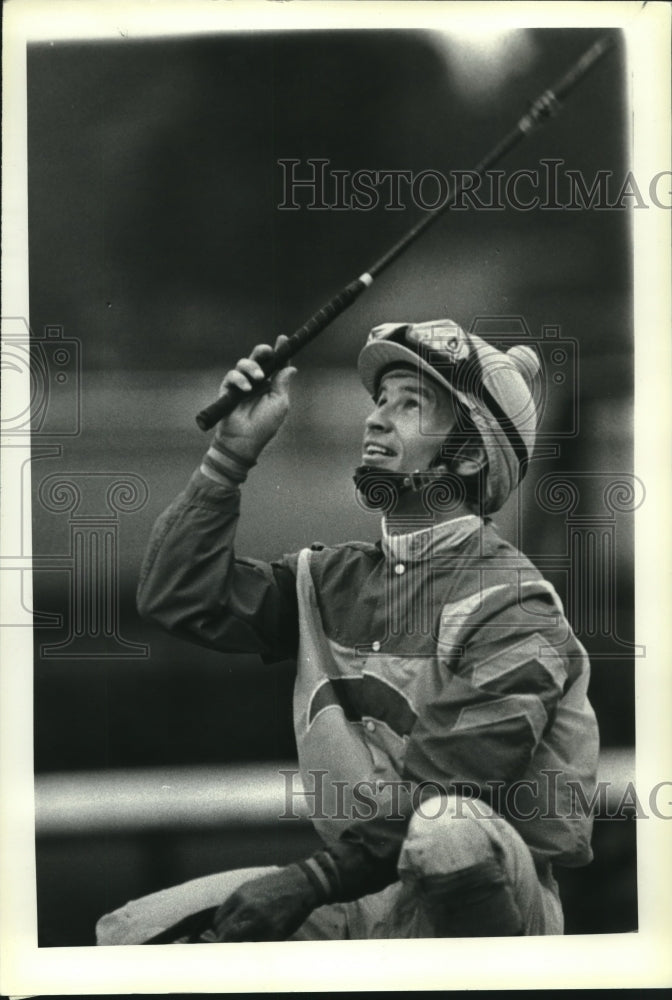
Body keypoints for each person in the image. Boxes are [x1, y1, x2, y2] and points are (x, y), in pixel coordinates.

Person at [96, 318, 599, 945]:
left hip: (487, 905)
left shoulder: (517, 608)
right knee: (130, 934)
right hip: (361, 893)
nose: (376, 419)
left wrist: (305, 883)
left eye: (411, 404)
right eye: (380, 400)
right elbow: (178, 596)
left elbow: (445, 790)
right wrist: (229, 455)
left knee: (447, 834)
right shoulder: (328, 579)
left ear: (470, 453)